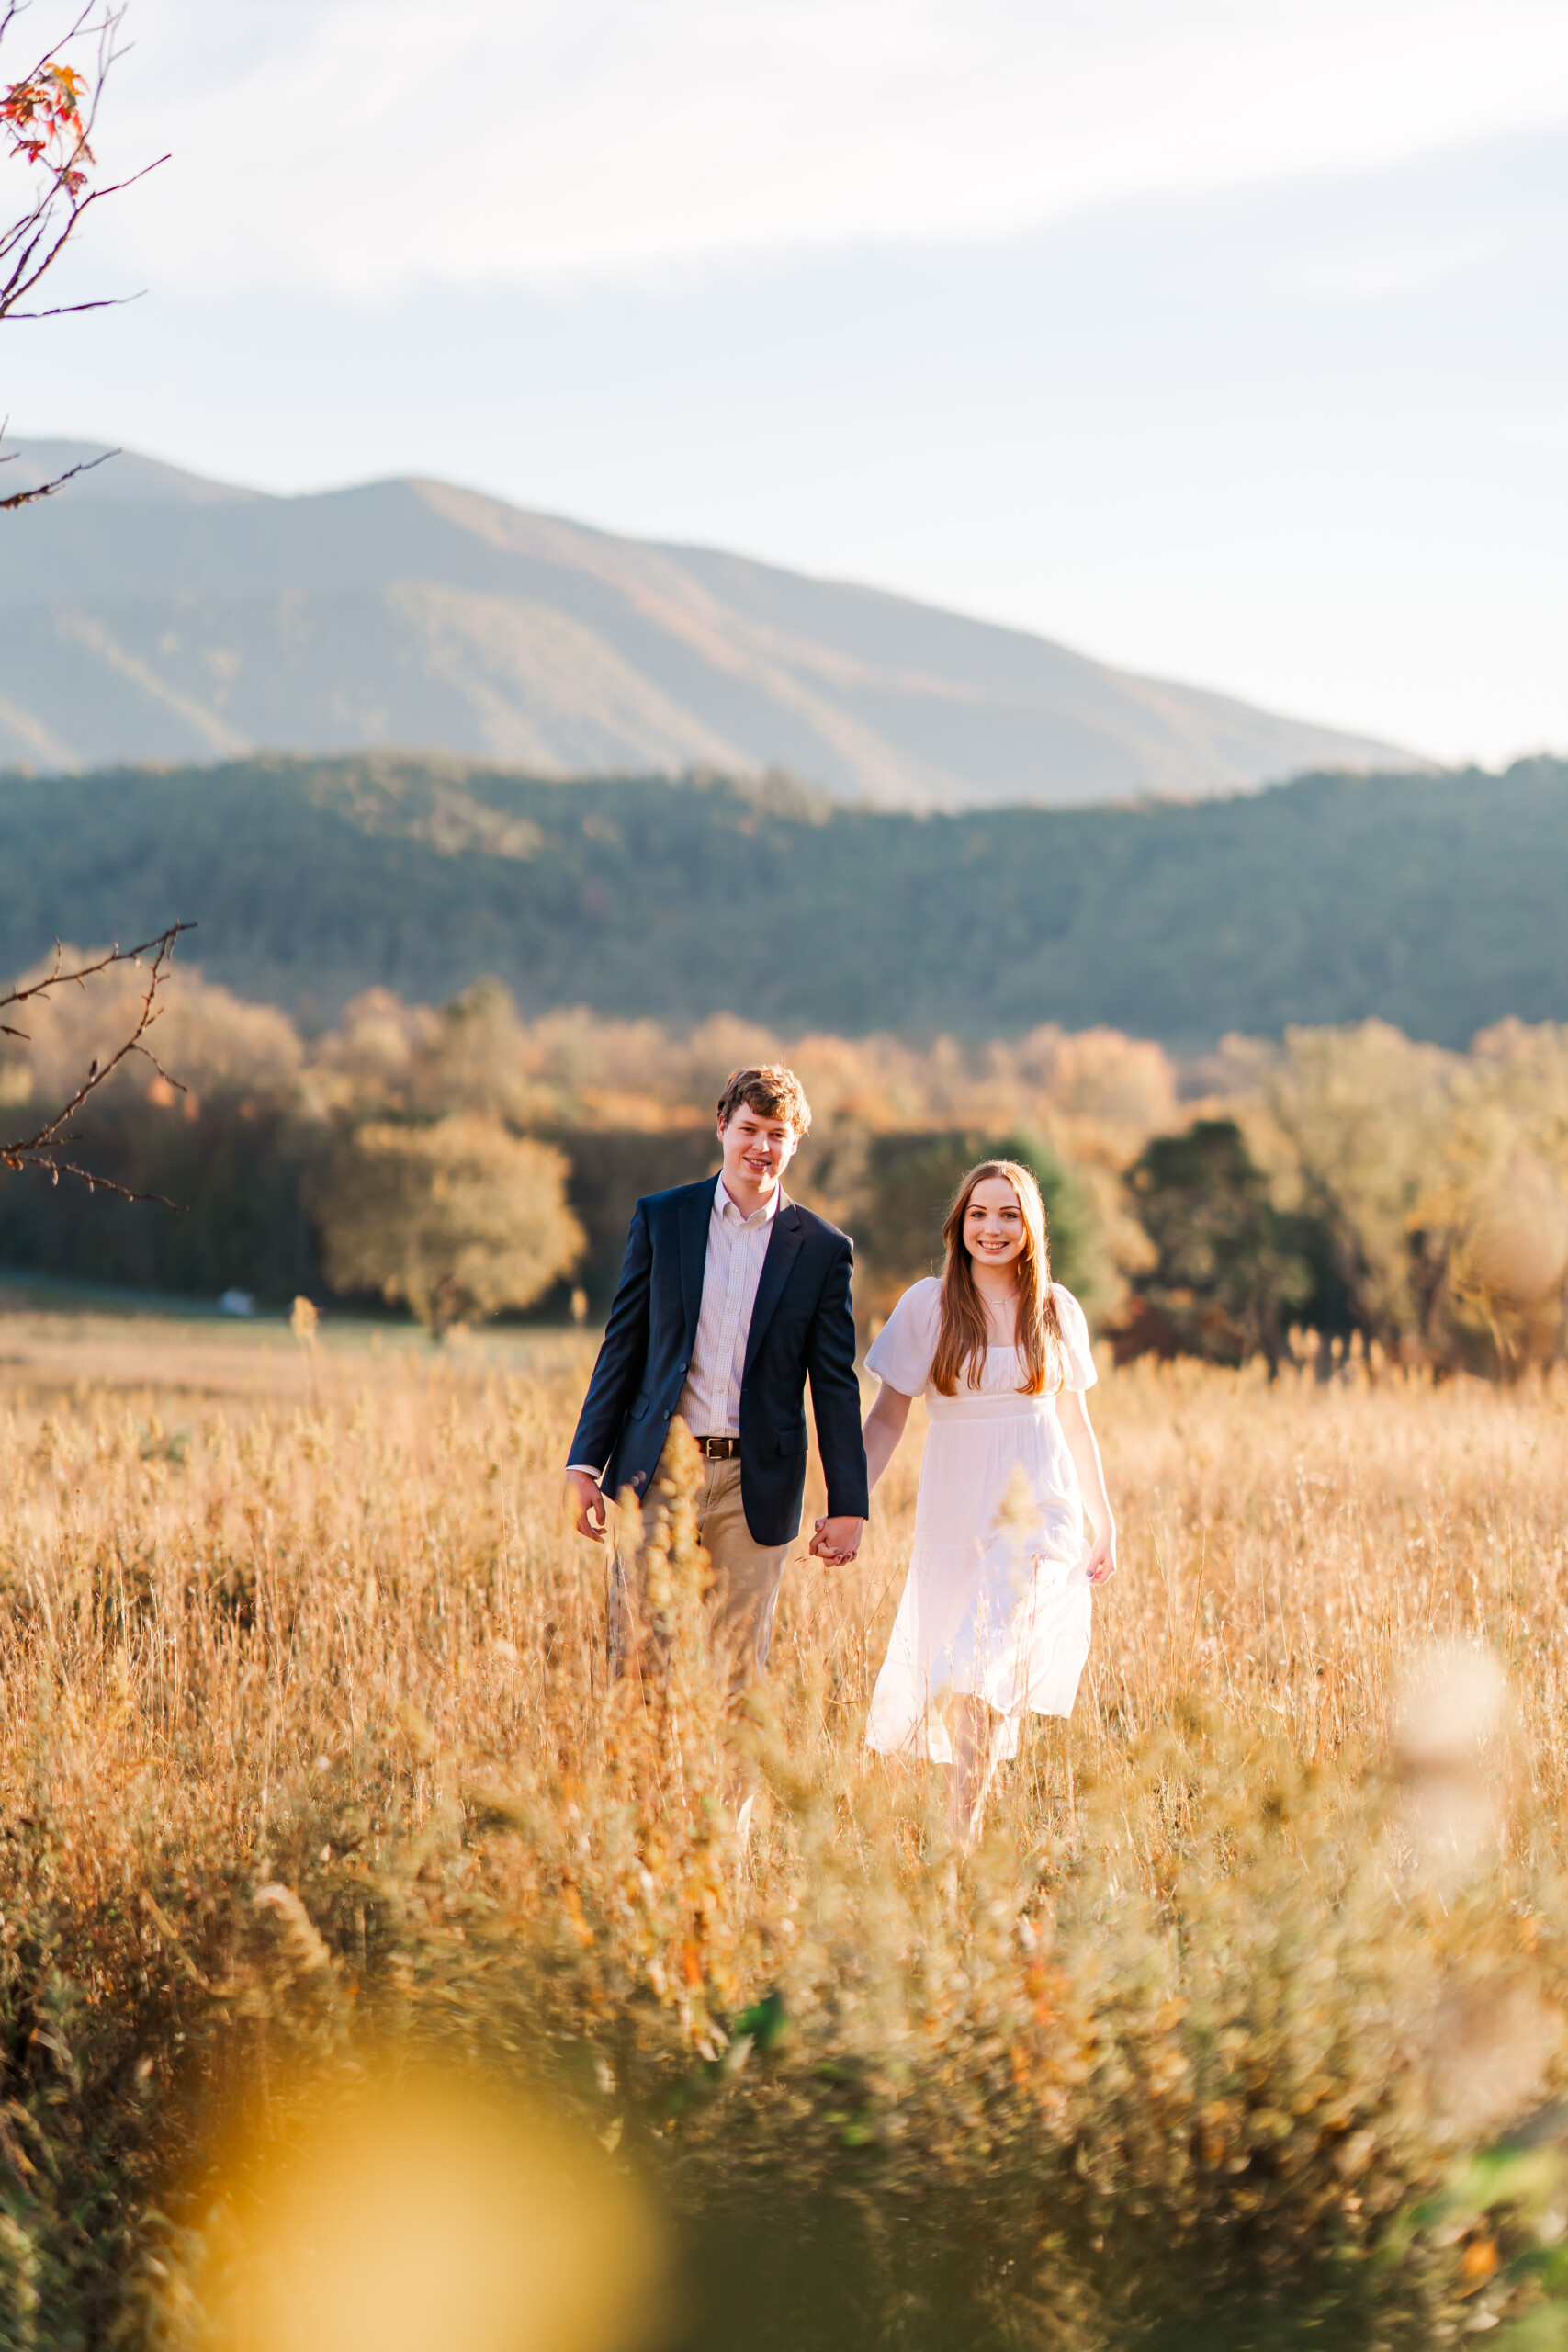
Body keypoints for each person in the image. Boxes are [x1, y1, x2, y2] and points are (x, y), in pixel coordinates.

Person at [564, 1065, 869, 1778]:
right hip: (656, 1473)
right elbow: (624, 1344)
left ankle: (723, 1850)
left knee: (740, 1676)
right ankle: (640, 1833)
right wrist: (585, 1463)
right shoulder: (662, 1218)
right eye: (750, 1131)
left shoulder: (822, 1249)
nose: (761, 1148)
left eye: (777, 1136)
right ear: (722, 1127)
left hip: (754, 1486)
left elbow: (833, 1385)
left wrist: (847, 1504)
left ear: (794, 1146)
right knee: (638, 1658)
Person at [855, 1159, 1116, 1848]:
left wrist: (1102, 1520)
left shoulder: (1056, 1309)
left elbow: (1074, 1423)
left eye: (1007, 1214)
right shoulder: (927, 1304)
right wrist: (849, 1501)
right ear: (959, 1224)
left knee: (986, 1660)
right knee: (960, 1673)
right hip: (956, 1508)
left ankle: (958, 1831)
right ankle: (959, 1835)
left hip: (1041, 1509)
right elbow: (886, 1418)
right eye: (978, 1214)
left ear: (1029, 1227)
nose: (991, 1228)